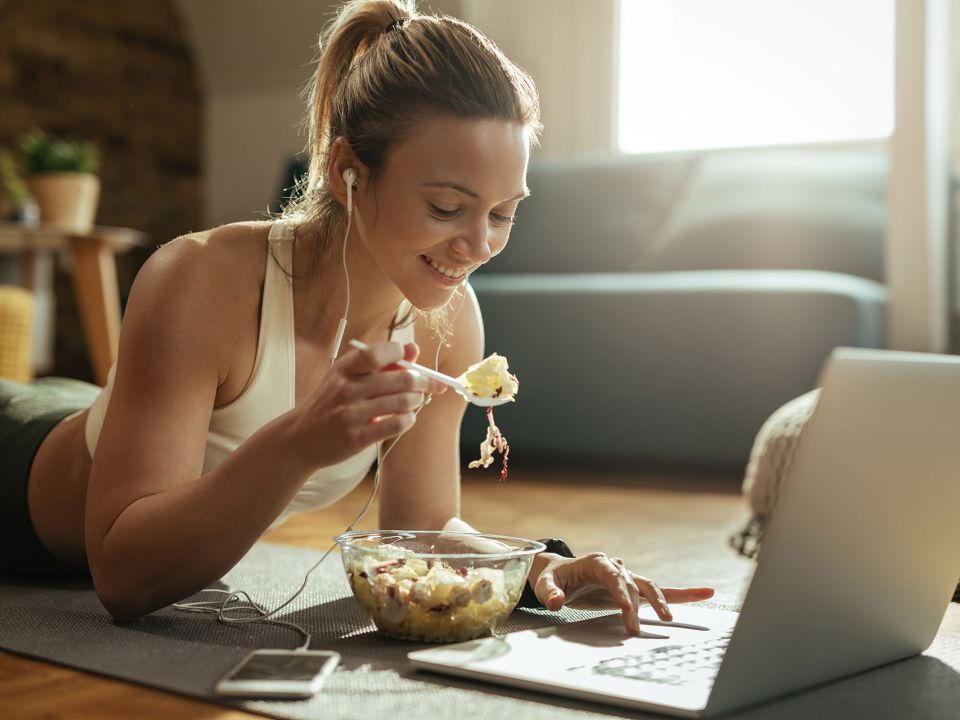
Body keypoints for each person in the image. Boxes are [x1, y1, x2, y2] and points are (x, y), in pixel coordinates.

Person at [0, 0, 713, 633]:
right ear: (348, 171)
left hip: (93, 416)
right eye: (446, 207)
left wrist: (532, 565)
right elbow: (123, 577)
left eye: (503, 213)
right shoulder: (200, 281)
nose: (478, 245)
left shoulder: (448, 318)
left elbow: (422, 525)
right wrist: (303, 440)